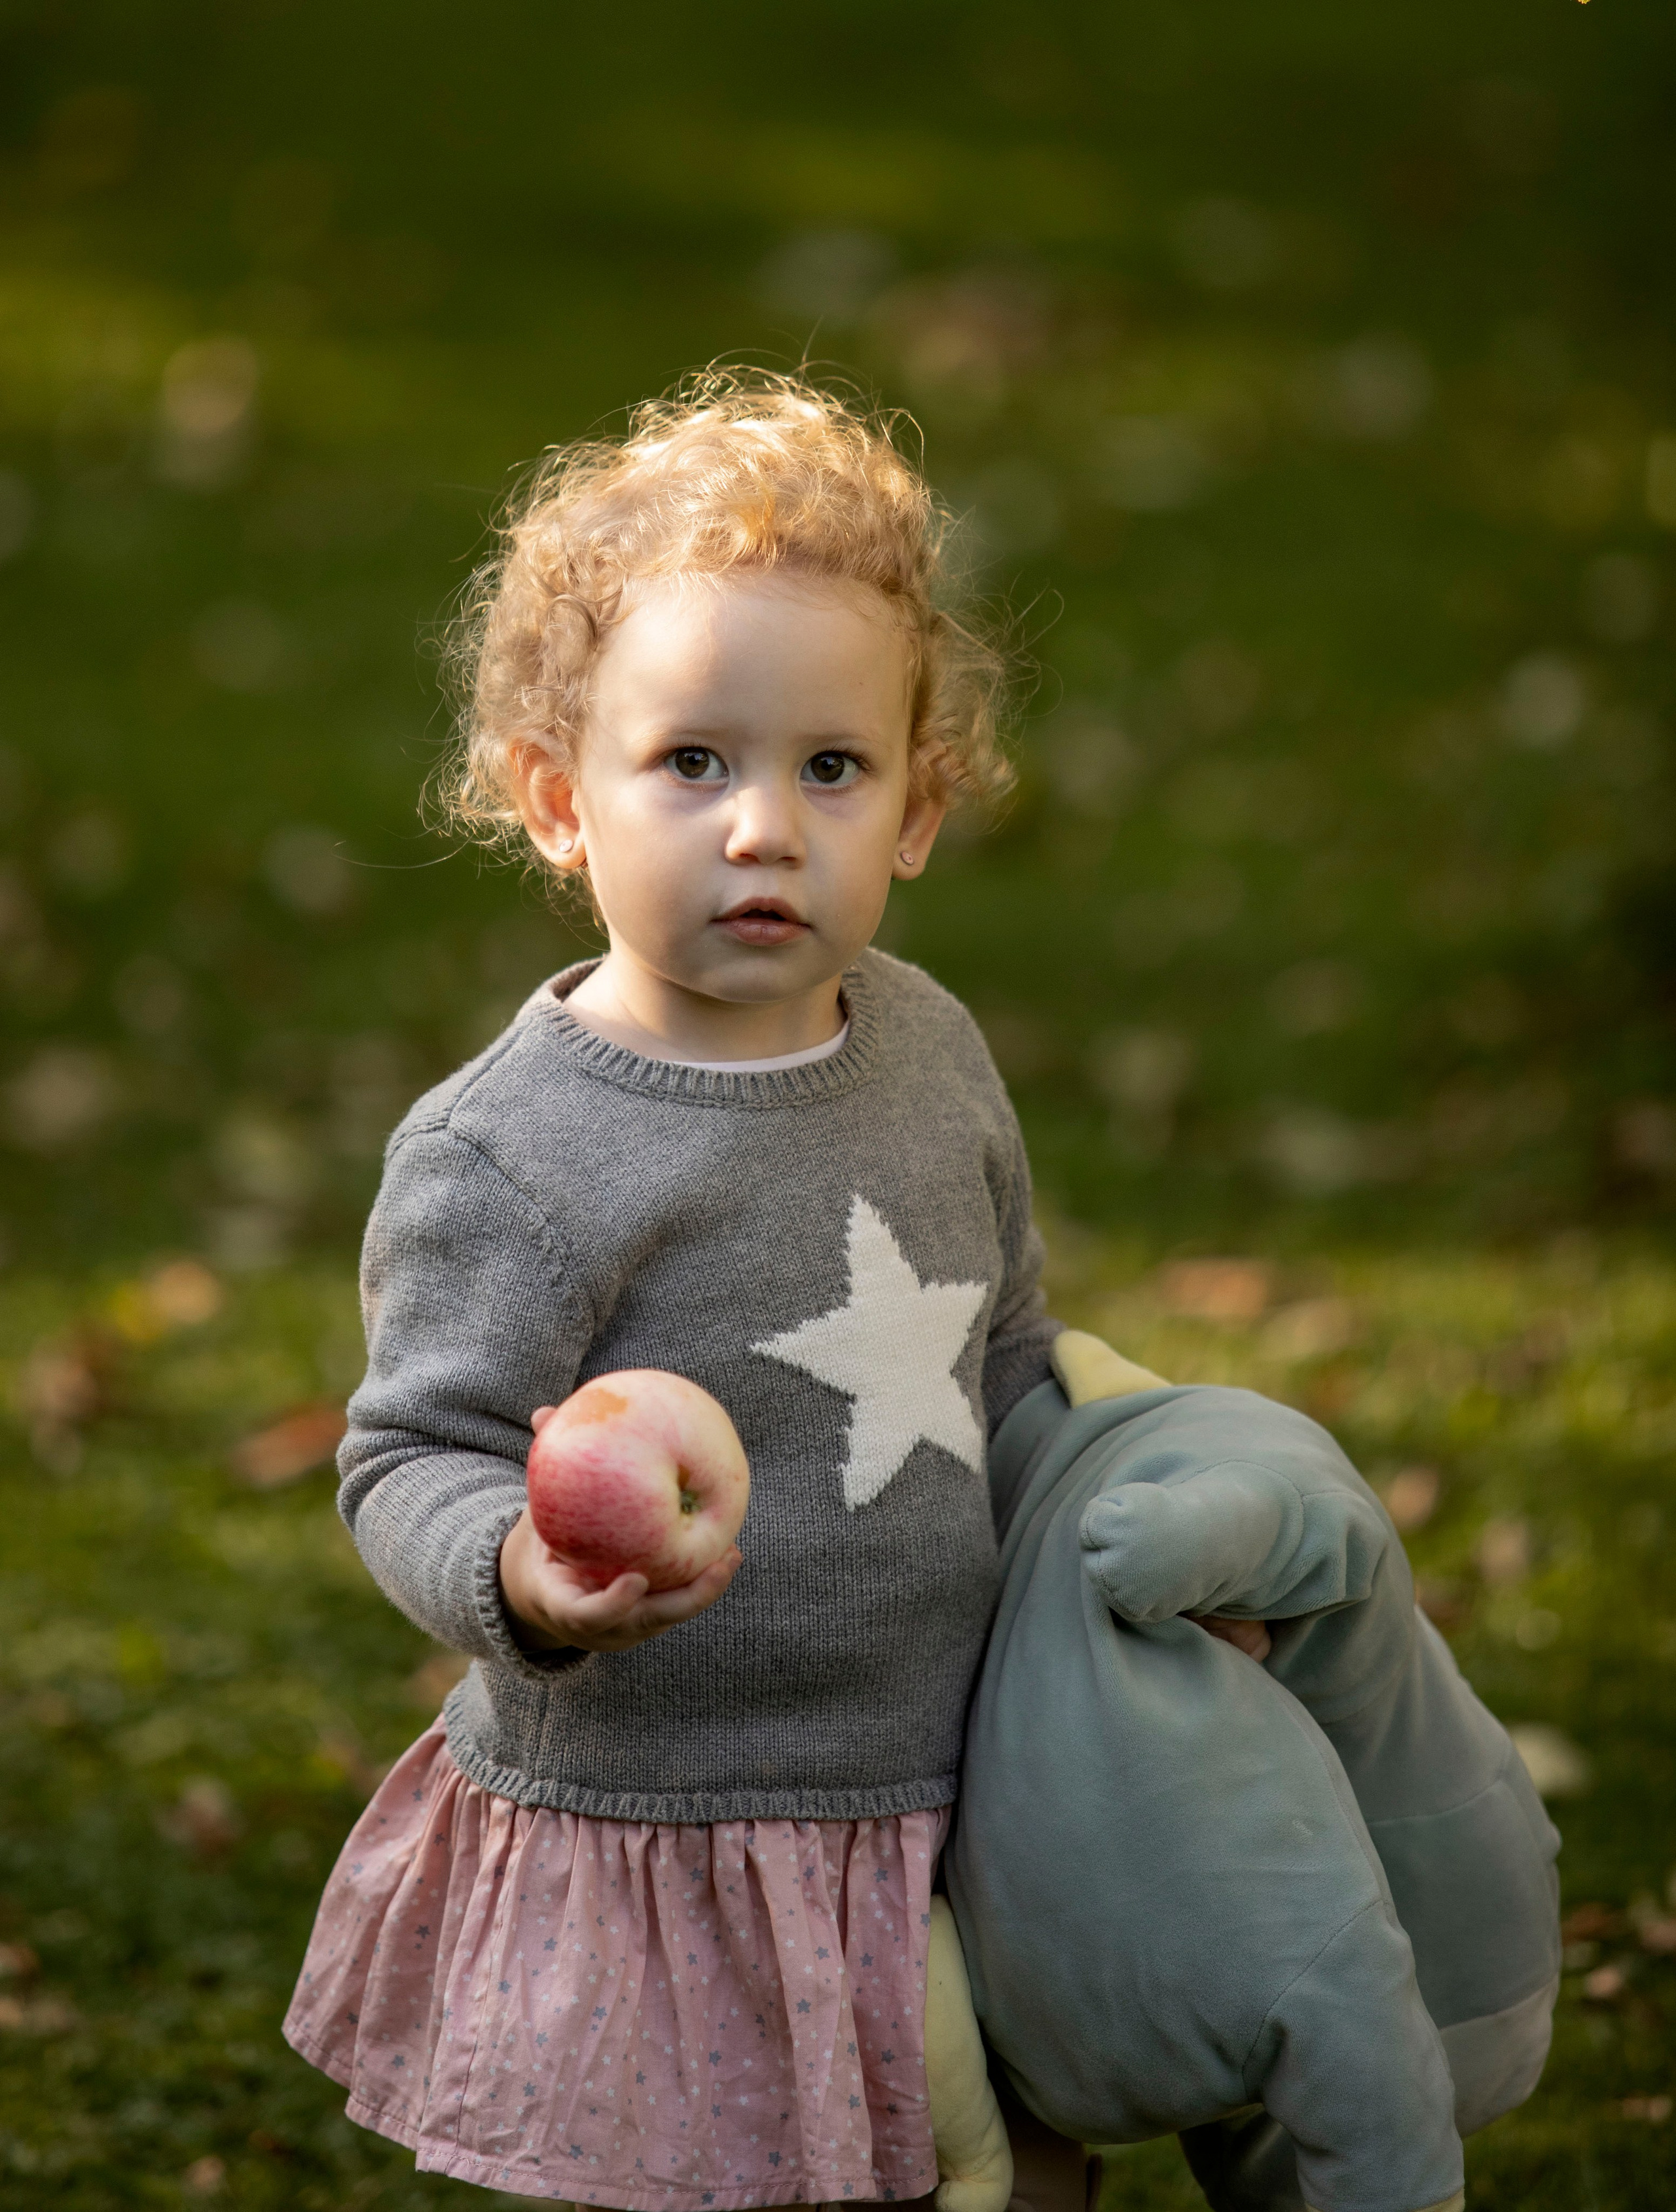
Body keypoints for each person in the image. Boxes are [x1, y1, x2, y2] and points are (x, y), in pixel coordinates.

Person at [282, 369, 1062, 2212]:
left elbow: (1004, 1351)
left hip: (952, 1778)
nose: (764, 826)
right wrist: (519, 1579)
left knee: (1017, 2162)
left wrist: (1127, 1580)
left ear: (921, 811)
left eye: (832, 767)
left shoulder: (934, 1051)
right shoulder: (519, 1153)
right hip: (669, 1826)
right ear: (558, 801)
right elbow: (409, 1455)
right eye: (693, 761)